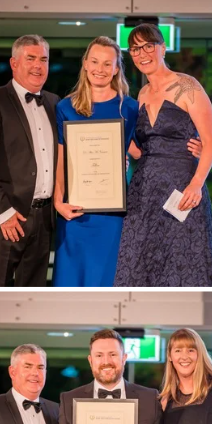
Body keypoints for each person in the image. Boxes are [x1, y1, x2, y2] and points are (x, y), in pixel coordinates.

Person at [114, 24, 212, 287]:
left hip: (181, 188)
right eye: (135, 49)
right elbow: (142, 149)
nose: (142, 54)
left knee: (183, 264)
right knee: (137, 265)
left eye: (148, 46)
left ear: (162, 48)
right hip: (144, 192)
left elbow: (210, 142)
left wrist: (196, 184)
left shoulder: (187, 85)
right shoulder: (141, 94)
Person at [0, 35, 59, 287]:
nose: (38, 65)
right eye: (30, 58)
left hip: (44, 219)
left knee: (33, 294)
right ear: (14, 63)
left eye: (43, 59)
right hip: (5, 217)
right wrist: (4, 213)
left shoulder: (54, 103)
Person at [52, 37, 140, 286]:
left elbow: (141, 152)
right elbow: (61, 160)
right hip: (74, 212)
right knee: (71, 282)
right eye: (94, 61)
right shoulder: (66, 107)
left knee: (107, 281)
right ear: (85, 63)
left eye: (107, 63)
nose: (99, 69)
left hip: (112, 215)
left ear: (116, 68)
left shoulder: (130, 108)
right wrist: (58, 201)